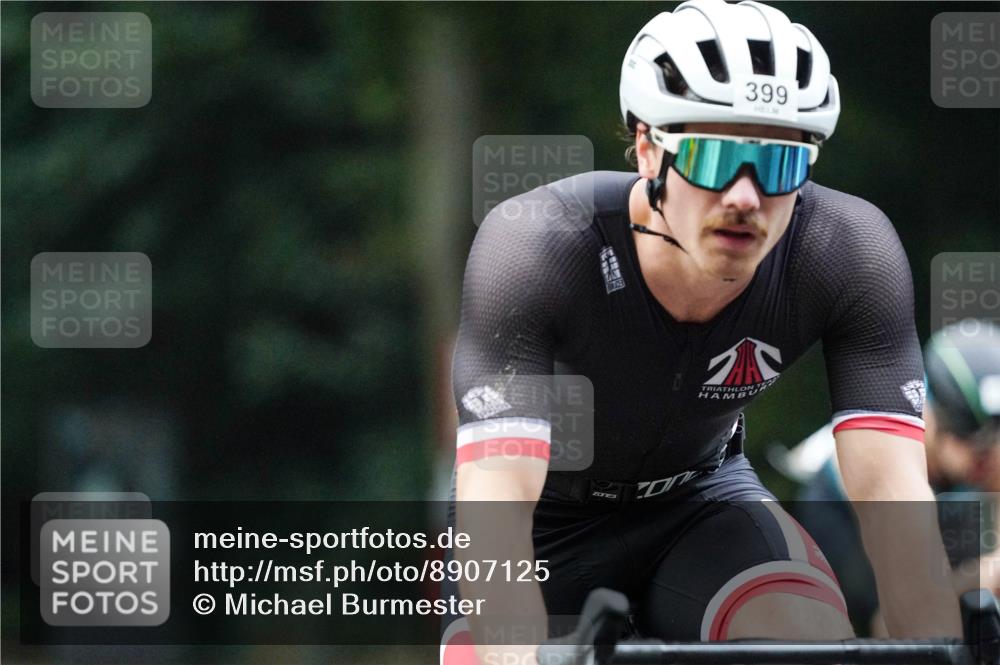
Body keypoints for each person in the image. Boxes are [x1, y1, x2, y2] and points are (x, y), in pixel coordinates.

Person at [445, 1, 961, 663]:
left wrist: (942, 641)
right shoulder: (538, 245)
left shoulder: (847, 251)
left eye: (778, 164)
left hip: (701, 504)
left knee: (807, 639)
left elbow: (894, 499)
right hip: (541, 527)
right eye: (716, 157)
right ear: (647, 148)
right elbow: (499, 498)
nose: (745, 196)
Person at [772, 320, 1000, 632]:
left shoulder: (973, 456)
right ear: (932, 413)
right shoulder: (880, 461)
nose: (987, 458)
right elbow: (893, 626)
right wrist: (985, 575)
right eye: (976, 445)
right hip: (847, 538)